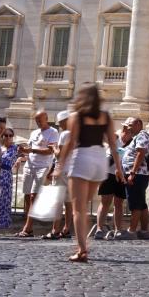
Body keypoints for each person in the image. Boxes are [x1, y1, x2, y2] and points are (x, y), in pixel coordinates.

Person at [54, 84, 124, 262]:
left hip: (82, 158)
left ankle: (82, 249)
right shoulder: (105, 116)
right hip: (99, 160)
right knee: (84, 205)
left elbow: (70, 143)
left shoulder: (77, 116)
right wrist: (119, 169)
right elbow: (113, 145)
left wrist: (59, 166)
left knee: (79, 209)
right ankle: (83, 244)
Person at [17, 110, 59, 238]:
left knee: (33, 196)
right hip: (29, 165)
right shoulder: (34, 132)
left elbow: (50, 151)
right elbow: (29, 149)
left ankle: (27, 227)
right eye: (36, 120)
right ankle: (28, 227)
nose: (38, 122)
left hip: (42, 166)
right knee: (27, 196)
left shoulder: (53, 132)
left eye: (40, 120)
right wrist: (23, 152)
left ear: (46, 118)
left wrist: (32, 150)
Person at [94, 121, 133, 239]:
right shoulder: (115, 137)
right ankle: (99, 229)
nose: (129, 132)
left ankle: (118, 230)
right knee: (105, 201)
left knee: (119, 203)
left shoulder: (133, 142)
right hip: (109, 173)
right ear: (124, 129)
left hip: (122, 175)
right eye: (128, 129)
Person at [42, 111, 74, 240]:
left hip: (62, 170)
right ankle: (66, 229)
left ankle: (55, 230)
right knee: (69, 202)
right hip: (71, 171)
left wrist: (54, 148)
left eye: (60, 123)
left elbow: (59, 155)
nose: (59, 125)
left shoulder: (65, 134)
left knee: (58, 202)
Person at [120, 117, 149, 240]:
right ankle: (144, 231)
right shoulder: (138, 136)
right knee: (141, 203)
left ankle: (132, 231)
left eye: (130, 125)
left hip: (137, 174)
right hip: (139, 174)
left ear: (138, 124)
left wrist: (132, 173)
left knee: (135, 204)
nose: (128, 128)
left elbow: (141, 153)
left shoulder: (141, 136)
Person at [0, 127, 19, 234]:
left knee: (1, 202)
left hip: (6, 179)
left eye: (11, 135)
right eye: (6, 135)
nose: (8, 137)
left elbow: (26, 154)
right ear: (2, 136)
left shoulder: (15, 148)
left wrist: (19, 159)